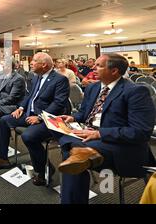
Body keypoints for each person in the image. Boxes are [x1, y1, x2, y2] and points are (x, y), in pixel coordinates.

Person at [54, 53, 155, 204]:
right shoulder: (93, 87)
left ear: (114, 71)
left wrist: (99, 133)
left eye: (99, 65)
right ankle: (81, 152)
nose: (93, 68)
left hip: (120, 145)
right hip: (88, 135)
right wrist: (74, 118)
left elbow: (140, 132)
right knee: (60, 133)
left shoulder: (135, 91)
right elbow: (84, 112)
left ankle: (80, 154)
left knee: (70, 152)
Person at [0, 52, 70, 187]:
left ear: (44, 65)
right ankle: (2, 158)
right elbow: (29, 97)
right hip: (28, 114)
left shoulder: (60, 79)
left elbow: (59, 104)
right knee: (5, 120)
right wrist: (21, 108)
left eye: (34, 61)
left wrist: (40, 117)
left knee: (28, 136)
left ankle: (43, 170)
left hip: (48, 119)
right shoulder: (36, 77)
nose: (31, 63)